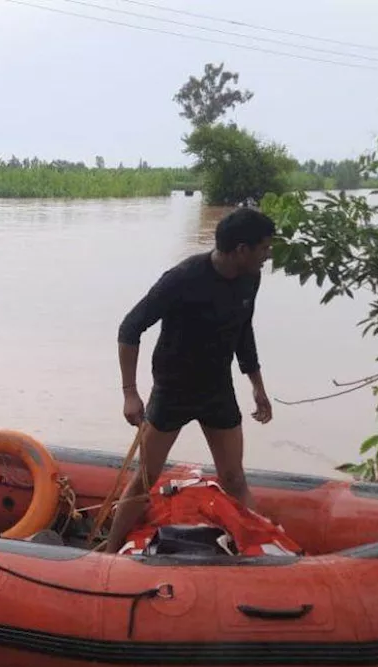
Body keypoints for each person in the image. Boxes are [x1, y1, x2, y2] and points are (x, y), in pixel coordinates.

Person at [103, 207, 276, 552]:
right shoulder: (182, 278)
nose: (267, 255)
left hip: (217, 390)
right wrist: (130, 393)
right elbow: (130, 328)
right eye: (264, 248)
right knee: (145, 481)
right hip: (172, 390)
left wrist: (257, 385)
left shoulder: (249, 279)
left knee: (234, 478)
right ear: (242, 249)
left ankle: (261, 556)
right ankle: (107, 555)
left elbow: (243, 332)